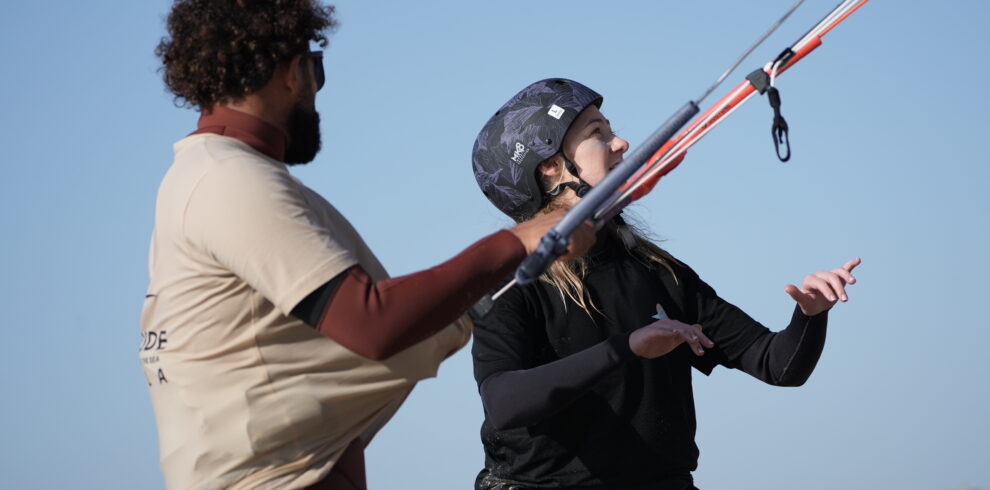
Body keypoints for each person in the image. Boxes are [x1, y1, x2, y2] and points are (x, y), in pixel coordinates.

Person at [140, 3, 593, 489]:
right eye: (316, 68)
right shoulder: (229, 180)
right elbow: (371, 323)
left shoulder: (208, 177)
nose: (317, 88)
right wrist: (518, 240)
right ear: (295, 73)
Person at [469, 78, 861, 490]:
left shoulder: (659, 272)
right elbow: (504, 402)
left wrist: (809, 315)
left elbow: (777, 364)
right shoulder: (511, 282)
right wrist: (628, 347)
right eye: (597, 134)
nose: (620, 143)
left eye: (611, 129)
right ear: (550, 168)